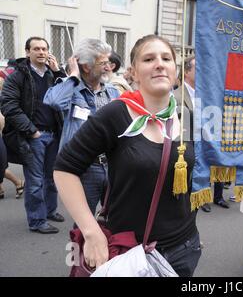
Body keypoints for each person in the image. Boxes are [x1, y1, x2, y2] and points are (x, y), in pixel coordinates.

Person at [53, 34, 201, 276]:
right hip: (131, 252)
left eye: (166, 58)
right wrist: (91, 232)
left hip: (184, 248)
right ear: (133, 72)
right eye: (149, 59)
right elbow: (64, 169)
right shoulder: (115, 114)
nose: (159, 64)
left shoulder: (186, 116)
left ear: (175, 70)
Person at [44, 39, 120, 216]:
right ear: (86, 67)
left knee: (115, 218)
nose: (109, 67)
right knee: (84, 224)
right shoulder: (71, 89)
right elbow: (54, 101)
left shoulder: (112, 91)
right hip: (86, 169)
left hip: (113, 165)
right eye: (103, 63)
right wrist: (73, 75)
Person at [0, 37, 66, 234]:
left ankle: (50, 211)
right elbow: (9, 105)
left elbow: (69, 92)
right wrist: (31, 131)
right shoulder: (18, 76)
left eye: (44, 48)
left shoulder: (52, 75)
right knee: (35, 181)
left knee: (52, 178)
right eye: (36, 49)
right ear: (27, 52)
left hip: (54, 135)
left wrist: (58, 72)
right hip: (33, 137)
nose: (41, 52)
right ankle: (37, 221)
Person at [174, 55, 229, 213]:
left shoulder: (206, 94)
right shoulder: (176, 96)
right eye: (198, 68)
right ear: (186, 72)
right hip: (186, 150)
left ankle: (207, 198)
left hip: (205, 145)